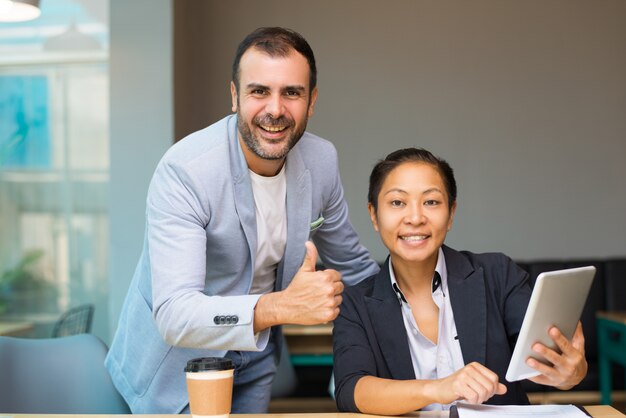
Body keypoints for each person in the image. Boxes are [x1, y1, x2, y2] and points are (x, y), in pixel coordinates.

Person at [105, 27, 379, 414]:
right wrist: (281, 307)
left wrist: (420, 309)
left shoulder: (321, 162)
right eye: (258, 91)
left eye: (292, 92)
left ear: (311, 101)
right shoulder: (186, 171)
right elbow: (174, 313)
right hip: (176, 368)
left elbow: (353, 266)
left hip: (256, 360)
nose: (275, 109)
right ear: (234, 96)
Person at [332, 148, 587, 415]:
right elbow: (352, 390)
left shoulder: (497, 274)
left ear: (451, 213)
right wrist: (437, 388)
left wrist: (572, 371)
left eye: (431, 202)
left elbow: (548, 353)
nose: (415, 218)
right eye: (397, 203)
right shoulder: (354, 304)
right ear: (374, 215)